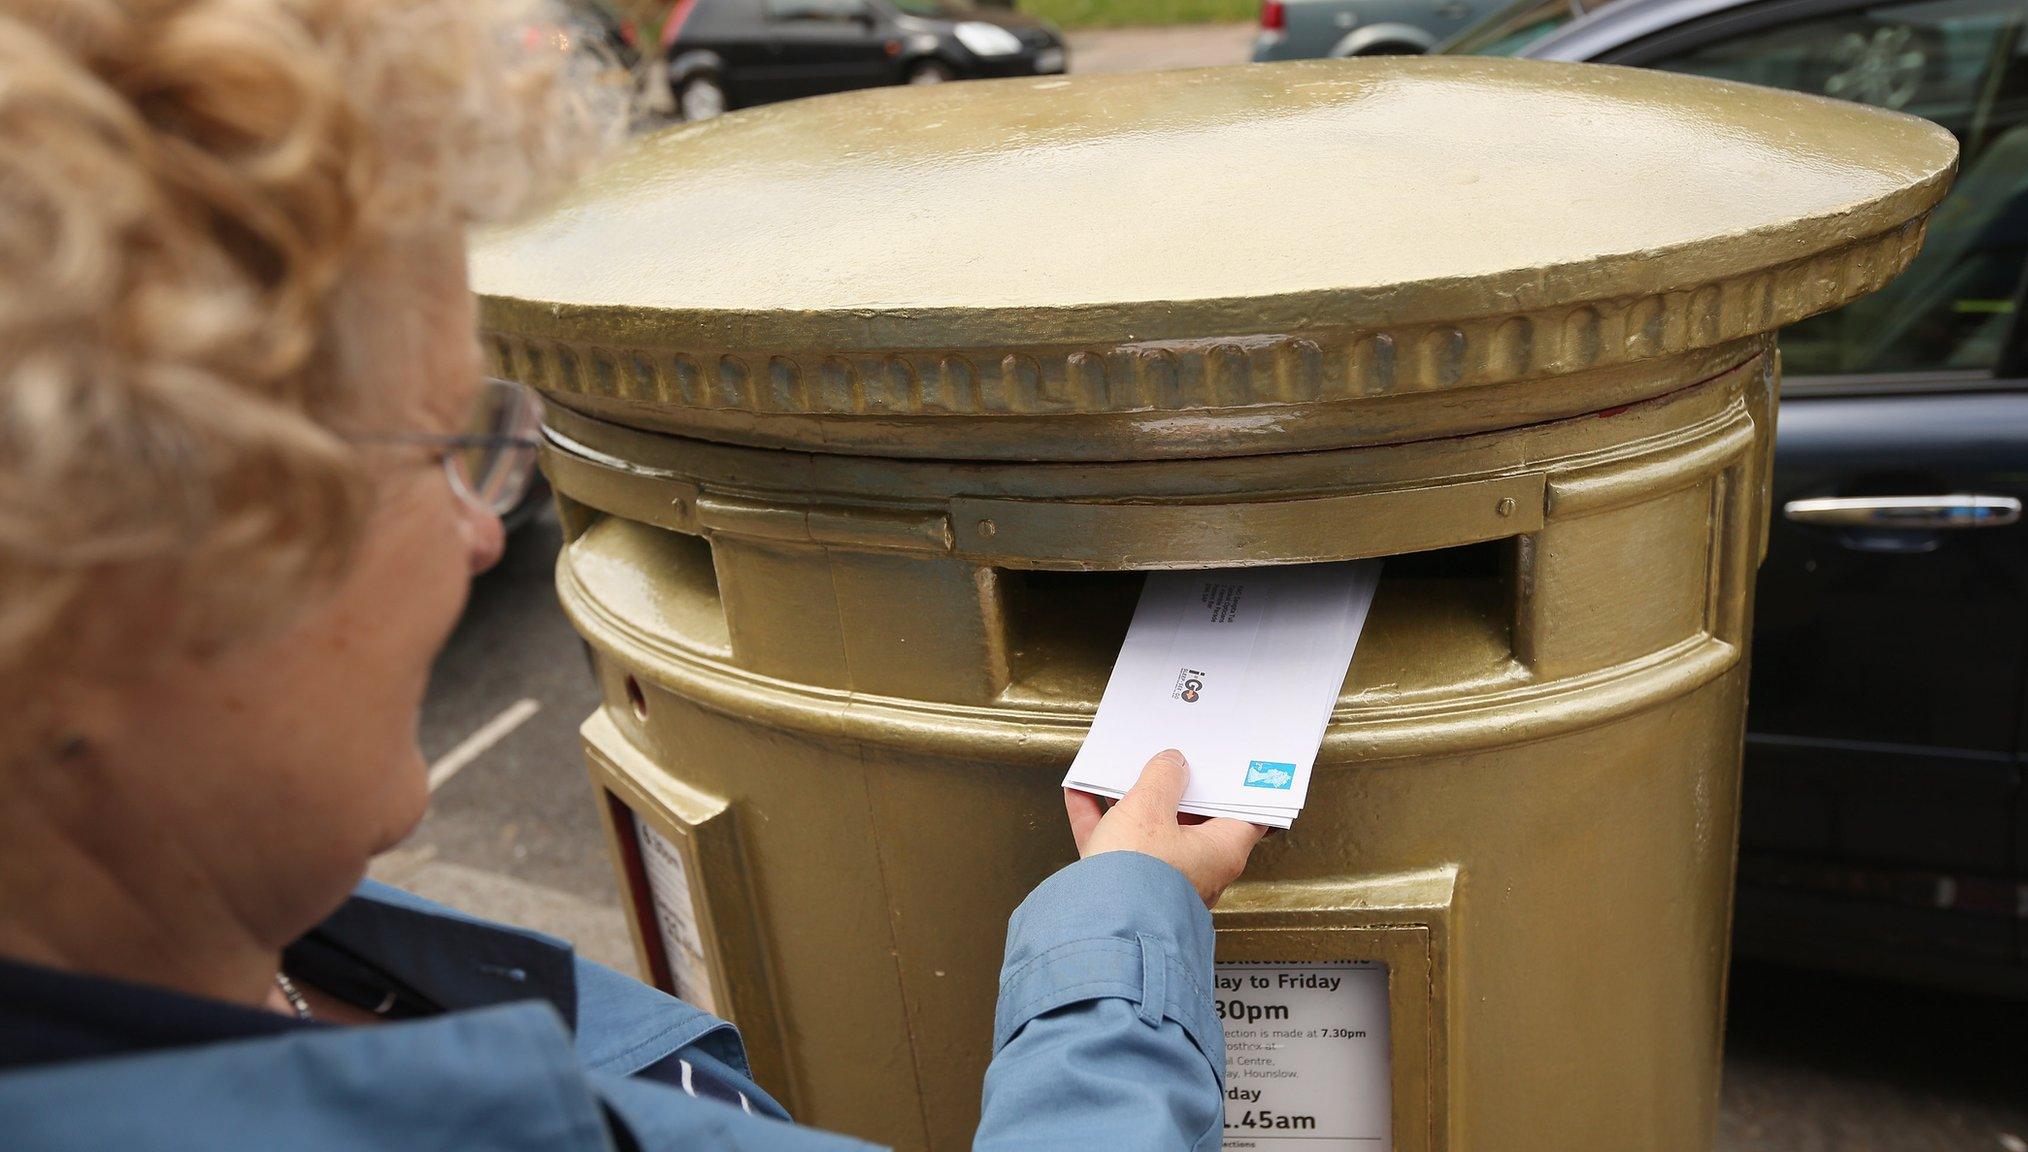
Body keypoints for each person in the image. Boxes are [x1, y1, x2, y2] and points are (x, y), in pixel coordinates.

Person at [0, 1, 1267, 1148]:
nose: (486, 535)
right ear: (102, 580)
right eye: (445, 448)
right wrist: (1122, 935)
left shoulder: (261, 940)